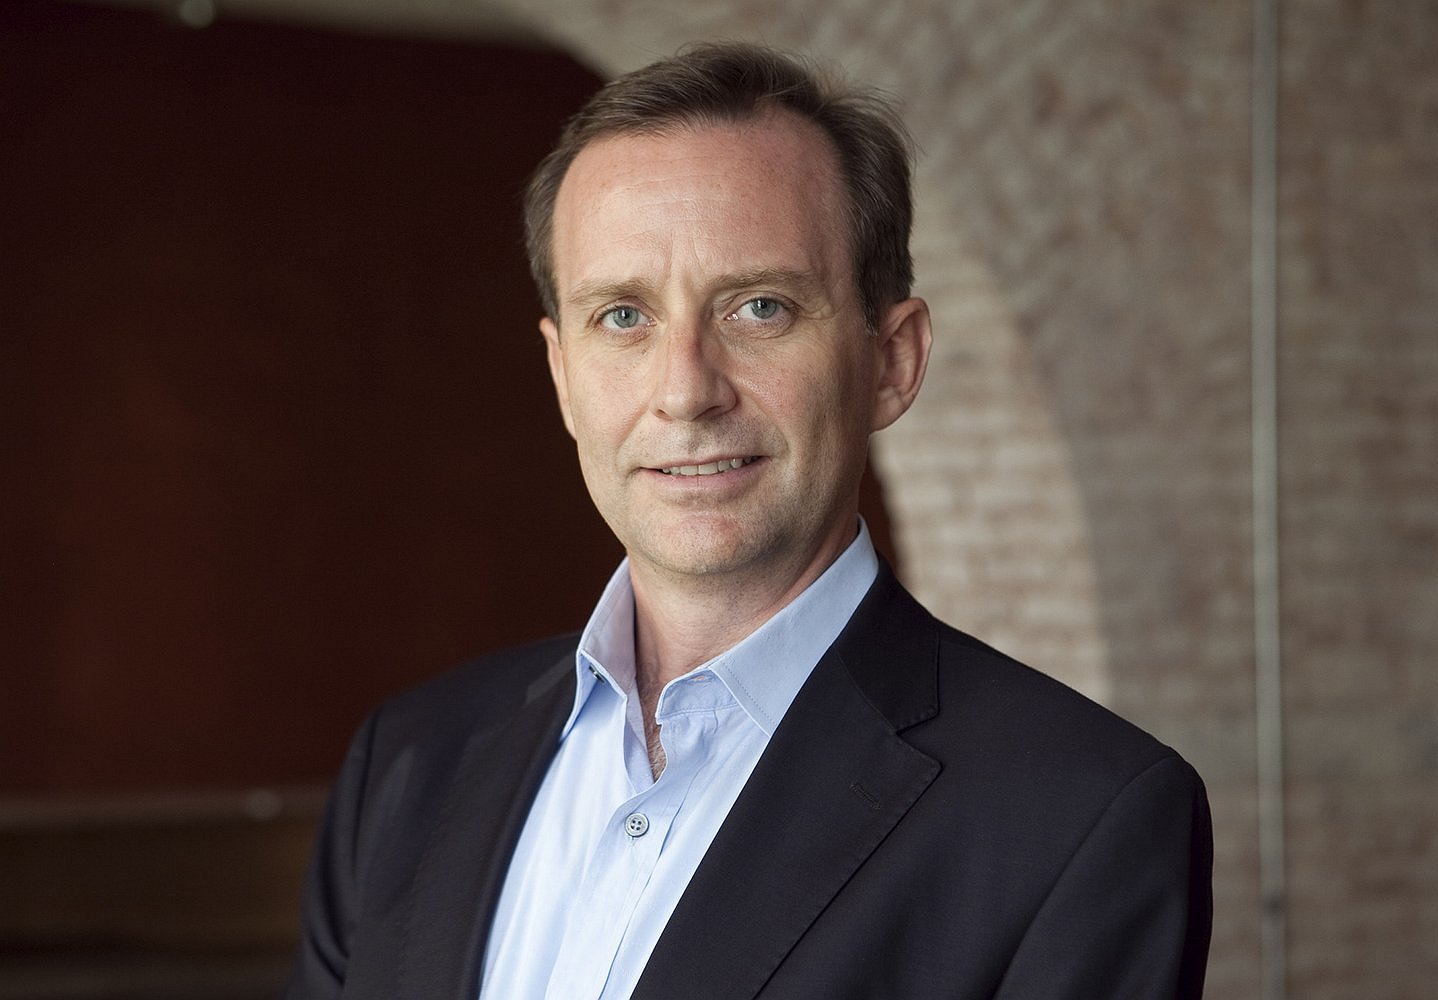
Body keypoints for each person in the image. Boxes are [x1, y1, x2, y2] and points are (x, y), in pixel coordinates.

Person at [283, 42, 1212, 1000]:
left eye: (759, 307)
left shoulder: (1076, 818)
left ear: (892, 361)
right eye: (623, 317)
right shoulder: (409, 764)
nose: (685, 391)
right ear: (562, 375)